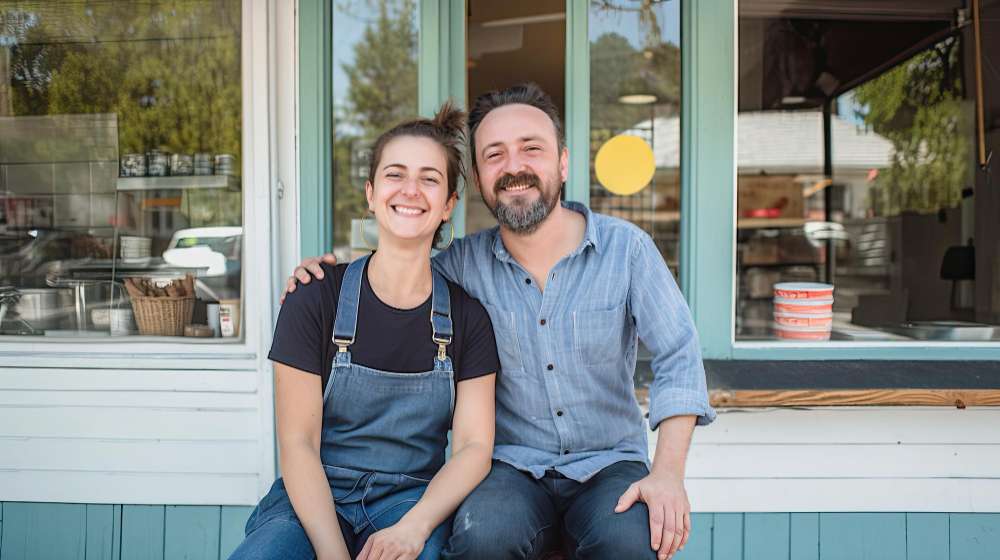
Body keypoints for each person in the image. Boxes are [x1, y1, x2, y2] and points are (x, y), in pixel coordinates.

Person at [283, 83, 715, 560]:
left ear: (563, 162)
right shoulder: (461, 265)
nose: (514, 167)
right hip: (511, 468)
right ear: (479, 178)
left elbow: (679, 355)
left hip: (609, 461)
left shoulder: (626, 250)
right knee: (482, 535)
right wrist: (326, 275)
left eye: (531, 148)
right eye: (494, 155)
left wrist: (668, 474)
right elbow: (396, 265)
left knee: (631, 540)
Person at [231, 103, 498, 560]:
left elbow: (475, 447)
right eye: (395, 175)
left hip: (411, 500)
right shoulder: (313, 299)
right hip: (314, 495)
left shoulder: (468, 318)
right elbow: (297, 444)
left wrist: (414, 529)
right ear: (371, 194)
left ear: (449, 204)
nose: (411, 190)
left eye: (430, 179)